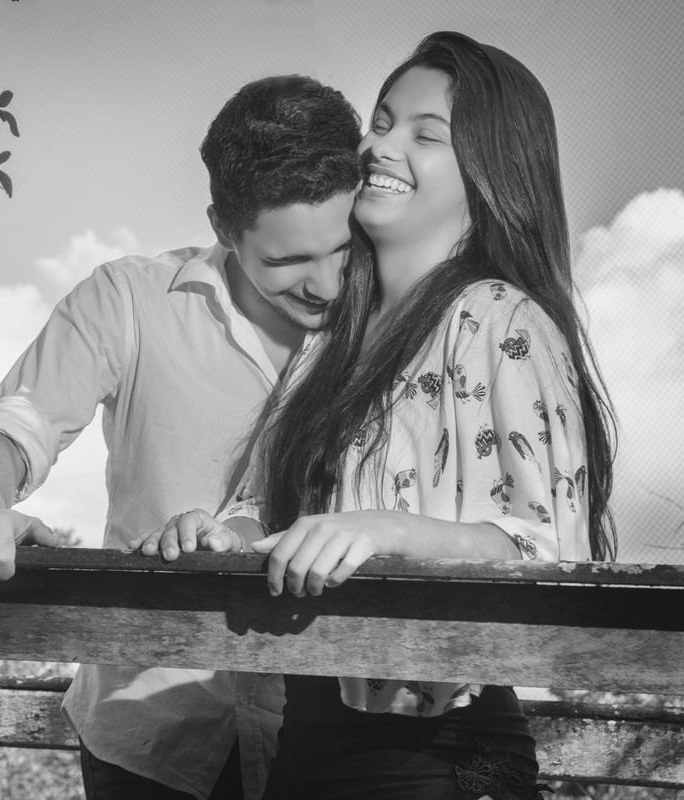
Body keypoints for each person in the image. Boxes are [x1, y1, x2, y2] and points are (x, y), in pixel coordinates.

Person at [146, 32, 617, 799]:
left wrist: (382, 533)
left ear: (489, 174)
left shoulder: (504, 319)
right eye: (383, 120)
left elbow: (552, 555)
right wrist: (213, 533)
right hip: (305, 739)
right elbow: (268, 511)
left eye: (425, 134)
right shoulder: (329, 339)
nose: (380, 145)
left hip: (442, 754)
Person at [0, 76, 363, 799]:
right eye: (287, 261)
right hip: (151, 730)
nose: (325, 286)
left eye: (341, 251)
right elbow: (14, 423)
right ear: (224, 227)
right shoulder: (127, 297)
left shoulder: (391, 320)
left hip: (334, 734)